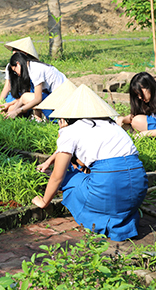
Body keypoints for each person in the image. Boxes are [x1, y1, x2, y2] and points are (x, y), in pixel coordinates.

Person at [33, 85, 148, 242]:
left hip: (109, 185)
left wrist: (44, 202)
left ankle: (99, 219)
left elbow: (57, 176)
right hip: (138, 183)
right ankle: (121, 222)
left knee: (68, 179)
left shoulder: (70, 132)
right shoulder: (111, 125)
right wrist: (51, 158)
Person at [0, 37, 39, 113]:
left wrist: (9, 104)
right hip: (12, 97)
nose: (13, 52)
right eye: (13, 50)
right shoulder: (10, 66)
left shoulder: (33, 69)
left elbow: (28, 95)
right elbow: (7, 86)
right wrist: (0, 102)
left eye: (16, 51)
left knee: (12, 108)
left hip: (21, 100)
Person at [3, 51, 66, 120]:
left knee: (26, 97)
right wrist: (13, 109)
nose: (17, 74)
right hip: (57, 96)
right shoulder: (32, 66)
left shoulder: (35, 70)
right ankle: (35, 119)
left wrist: (17, 111)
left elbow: (38, 99)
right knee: (27, 97)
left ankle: (41, 119)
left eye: (15, 70)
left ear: (18, 64)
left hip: (61, 99)